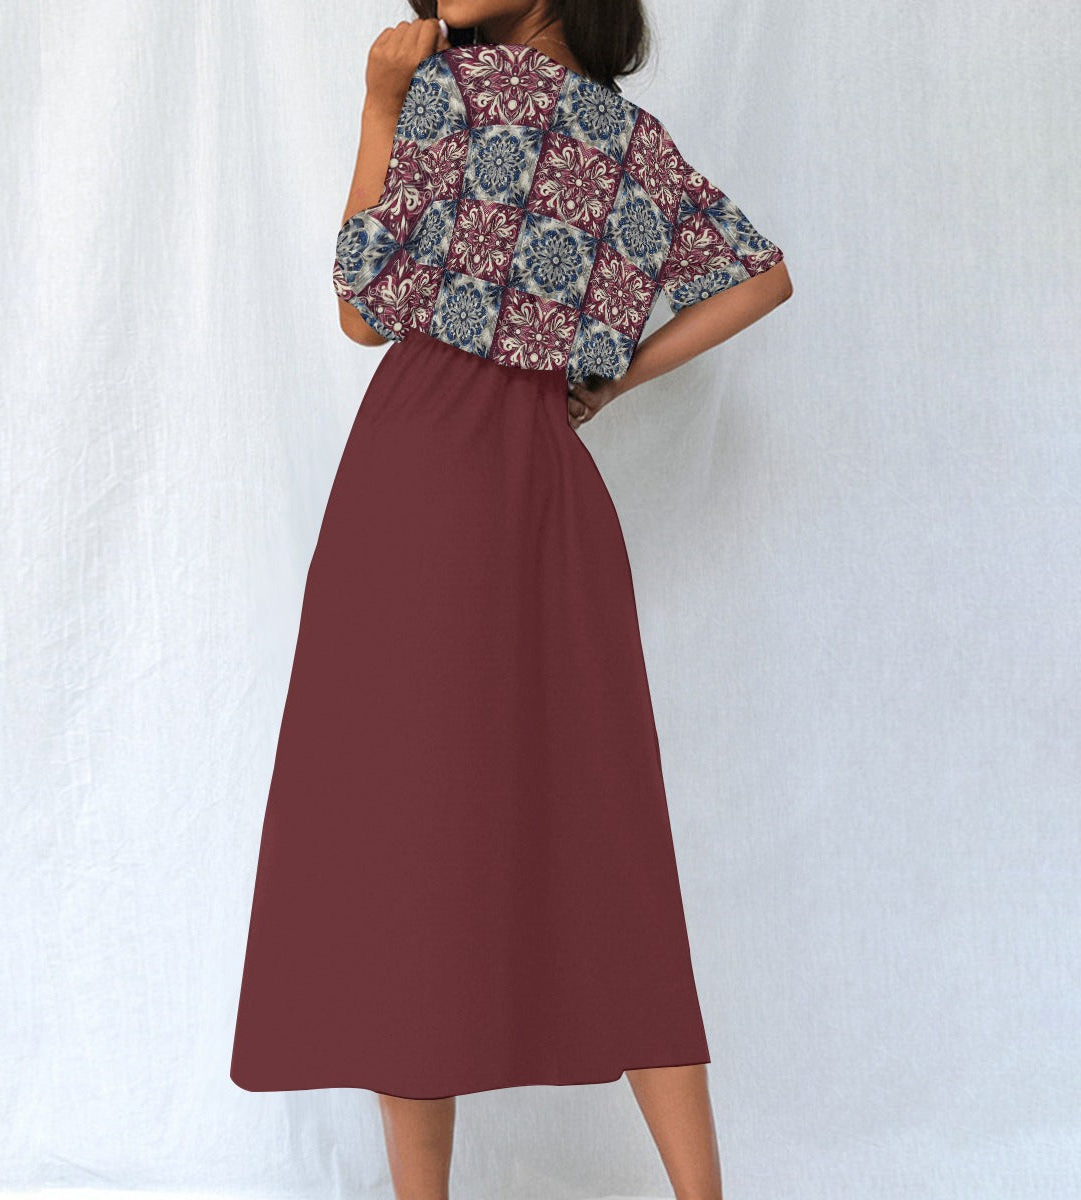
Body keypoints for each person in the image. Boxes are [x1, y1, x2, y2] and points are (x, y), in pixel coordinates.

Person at [230, 2, 793, 1197]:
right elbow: (763, 277)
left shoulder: (442, 94)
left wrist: (378, 104)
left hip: (415, 481)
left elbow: (360, 310)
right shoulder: (626, 139)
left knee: (401, 846)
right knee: (607, 832)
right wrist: (605, 385)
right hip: (547, 489)